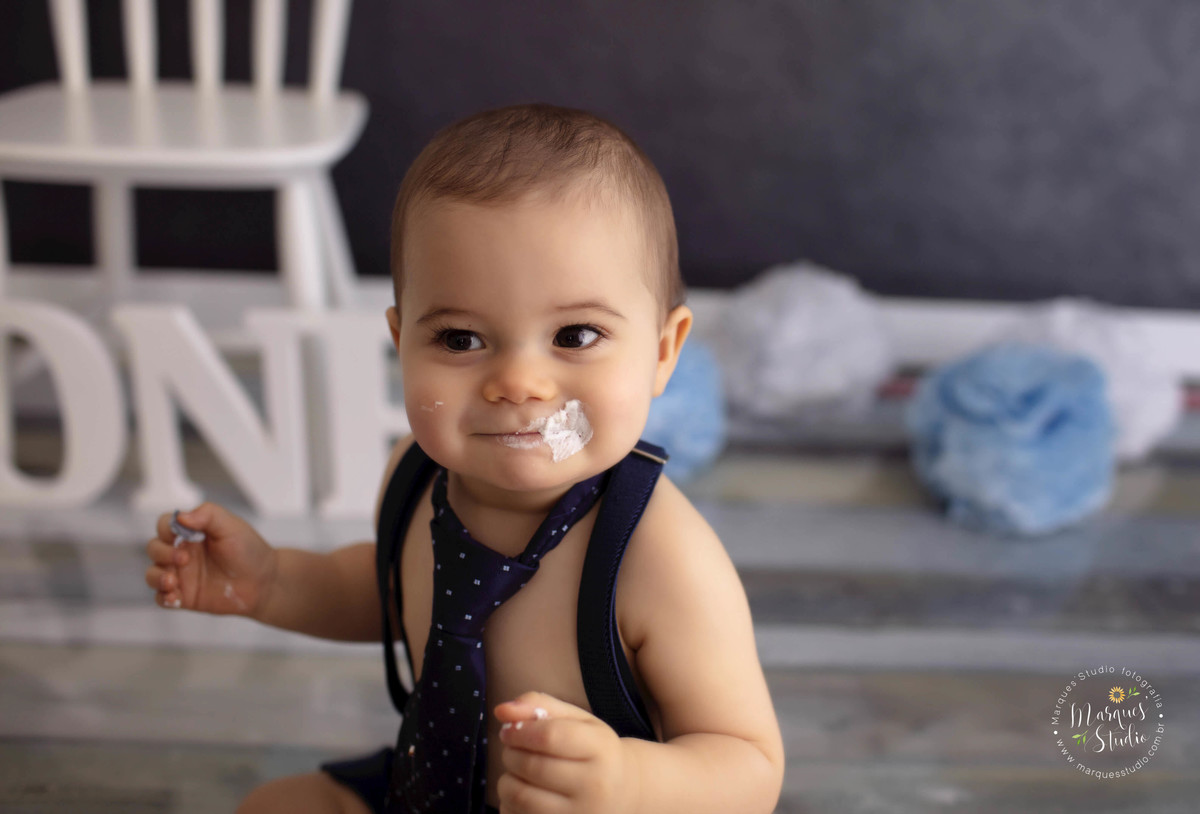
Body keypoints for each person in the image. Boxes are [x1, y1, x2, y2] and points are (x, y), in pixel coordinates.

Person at [144, 103, 784, 814]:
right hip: (436, 786)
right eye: (460, 340)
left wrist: (628, 782)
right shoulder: (415, 476)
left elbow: (748, 764)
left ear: (663, 352)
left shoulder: (660, 555)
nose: (517, 383)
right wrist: (271, 584)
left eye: (574, 335)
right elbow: (397, 595)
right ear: (401, 343)